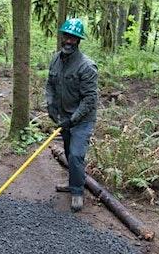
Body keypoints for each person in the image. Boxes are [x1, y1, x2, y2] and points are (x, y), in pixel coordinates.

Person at [45, 18, 98, 212]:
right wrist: (50, 105)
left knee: (76, 155)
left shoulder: (87, 66)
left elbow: (90, 99)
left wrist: (73, 119)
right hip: (64, 117)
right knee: (68, 152)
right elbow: (50, 84)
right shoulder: (56, 59)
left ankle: (77, 192)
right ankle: (73, 182)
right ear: (62, 37)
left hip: (82, 120)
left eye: (73, 38)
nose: (69, 41)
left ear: (78, 41)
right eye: (66, 36)